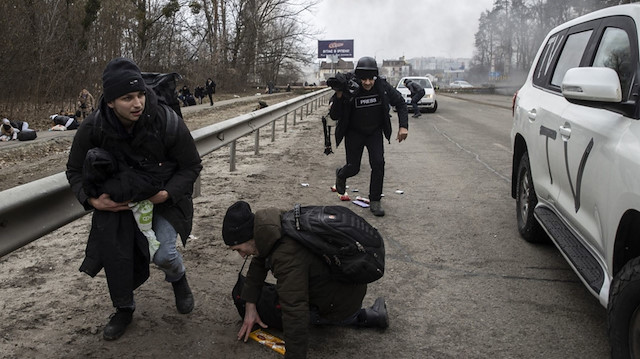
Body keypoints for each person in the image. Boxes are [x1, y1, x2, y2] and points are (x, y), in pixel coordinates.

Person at [65, 57, 203, 341]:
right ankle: (124, 309)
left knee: (164, 254)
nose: (138, 103)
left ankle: (178, 278)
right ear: (111, 102)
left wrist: (165, 194)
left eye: (140, 94)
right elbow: (74, 170)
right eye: (127, 98)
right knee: (117, 258)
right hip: (118, 201)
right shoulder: (93, 128)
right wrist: (92, 202)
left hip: (163, 197)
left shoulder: (166, 120)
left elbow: (191, 166)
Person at [223, 201, 389, 359]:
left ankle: (350, 317)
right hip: (346, 292)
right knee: (255, 297)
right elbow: (260, 258)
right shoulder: (277, 223)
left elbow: (294, 311)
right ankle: (367, 315)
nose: (242, 255)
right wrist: (250, 304)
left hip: (336, 306)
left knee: (263, 303)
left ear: (248, 236)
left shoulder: (286, 255)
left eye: (239, 249)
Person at [329, 56, 409, 217]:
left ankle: (375, 200)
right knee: (354, 167)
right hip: (354, 132)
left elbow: (400, 103)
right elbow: (335, 115)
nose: (367, 83)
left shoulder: (382, 86)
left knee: (378, 164)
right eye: (363, 79)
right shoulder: (349, 87)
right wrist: (339, 96)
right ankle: (341, 174)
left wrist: (403, 126)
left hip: (374, 132)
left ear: (375, 77)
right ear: (358, 77)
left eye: (370, 79)